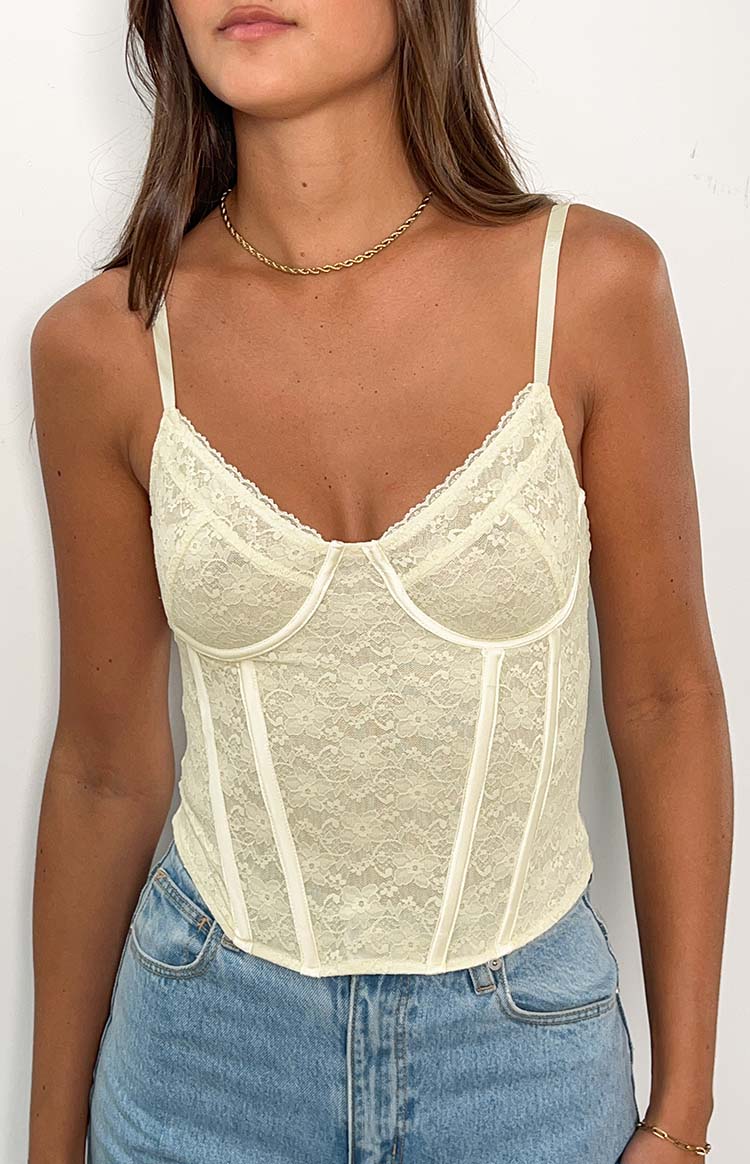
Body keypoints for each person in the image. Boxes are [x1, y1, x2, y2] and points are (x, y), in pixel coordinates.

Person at [27, 2, 732, 1162]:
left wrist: (686, 1117)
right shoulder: (104, 346)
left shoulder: (591, 290)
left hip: (525, 1073)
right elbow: (104, 770)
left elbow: (668, 700)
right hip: (199, 1065)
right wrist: (47, 1148)